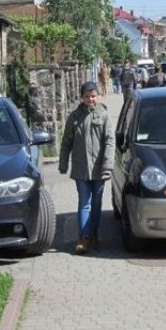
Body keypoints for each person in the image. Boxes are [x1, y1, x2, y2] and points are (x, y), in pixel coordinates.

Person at [58, 81, 115, 255]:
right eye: (87, 96)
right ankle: (83, 237)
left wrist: (107, 165)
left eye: (93, 96)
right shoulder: (74, 117)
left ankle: (94, 235)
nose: (90, 99)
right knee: (84, 203)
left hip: (99, 168)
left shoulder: (104, 115)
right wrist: (63, 162)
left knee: (96, 204)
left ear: (97, 96)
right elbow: (66, 141)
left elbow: (110, 141)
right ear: (82, 97)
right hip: (81, 168)